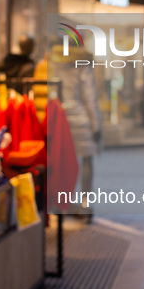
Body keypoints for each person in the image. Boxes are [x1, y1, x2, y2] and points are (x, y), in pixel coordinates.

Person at [49, 42, 102, 223]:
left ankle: (60, 203)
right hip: (81, 118)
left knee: (61, 161)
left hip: (60, 118)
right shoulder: (83, 64)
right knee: (87, 161)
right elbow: (90, 96)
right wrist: (96, 126)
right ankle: (85, 204)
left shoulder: (54, 62)